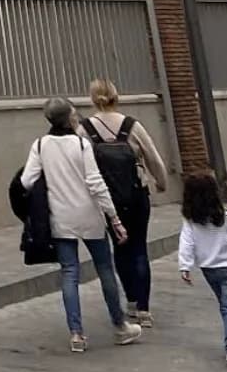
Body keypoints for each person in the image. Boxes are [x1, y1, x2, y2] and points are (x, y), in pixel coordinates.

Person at [22, 96, 143, 352]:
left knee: (69, 273)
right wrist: (114, 217)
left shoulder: (41, 145)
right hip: (90, 216)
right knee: (105, 269)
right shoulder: (80, 145)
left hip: (60, 217)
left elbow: (26, 180)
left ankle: (76, 334)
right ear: (69, 117)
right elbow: (95, 183)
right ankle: (120, 325)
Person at [82, 77, 169, 325]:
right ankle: (144, 308)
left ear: (93, 98)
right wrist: (161, 183)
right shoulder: (132, 126)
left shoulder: (86, 129)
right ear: (116, 96)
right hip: (137, 194)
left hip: (109, 200)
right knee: (140, 248)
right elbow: (154, 159)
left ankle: (130, 301)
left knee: (120, 248)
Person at [177, 172, 227, 368]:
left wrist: (185, 266)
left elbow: (186, 243)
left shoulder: (191, 221)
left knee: (225, 306)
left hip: (209, 269)